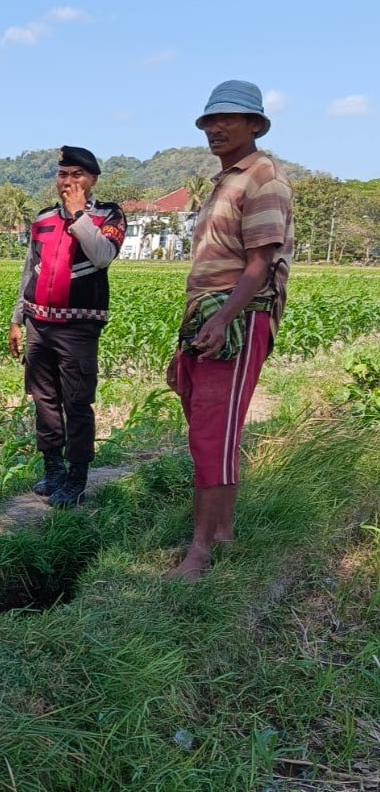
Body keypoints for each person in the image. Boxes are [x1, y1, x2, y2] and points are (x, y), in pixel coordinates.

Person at [165, 80, 294, 580]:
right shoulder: (227, 180)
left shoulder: (263, 177)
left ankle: (200, 553)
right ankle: (221, 534)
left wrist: (222, 319)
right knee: (209, 427)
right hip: (210, 315)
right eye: (209, 120)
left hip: (238, 317)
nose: (215, 128)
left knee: (213, 433)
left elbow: (259, 264)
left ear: (255, 125)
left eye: (228, 119)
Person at [9, 147, 126, 506]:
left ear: (93, 180)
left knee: (76, 401)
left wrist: (78, 215)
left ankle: (77, 476)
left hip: (78, 327)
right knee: (43, 399)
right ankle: (53, 468)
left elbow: (103, 256)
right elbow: (30, 270)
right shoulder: (44, 218)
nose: (69, 181)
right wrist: (17, 319)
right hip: (38, 324)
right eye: (63, 174)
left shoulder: (109, 215)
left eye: (77, 175)